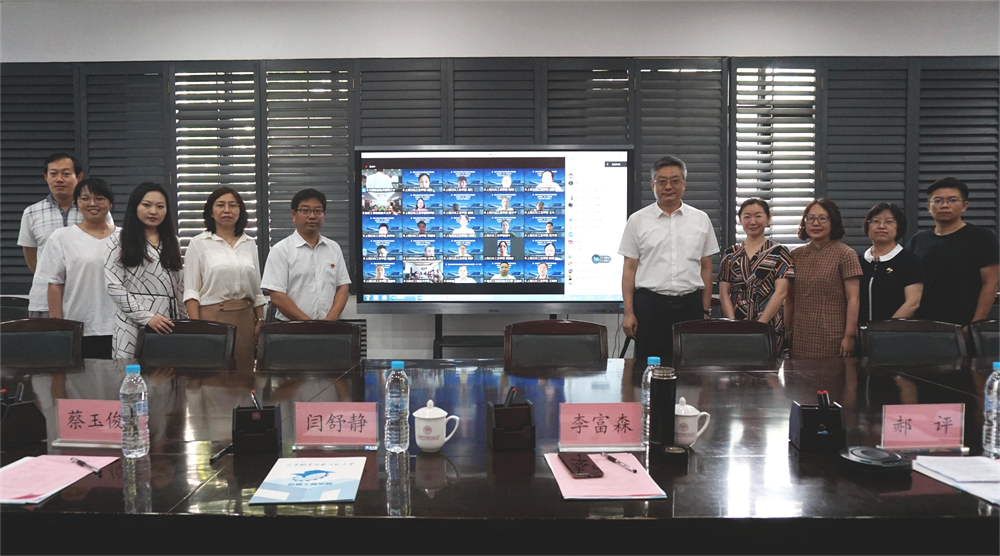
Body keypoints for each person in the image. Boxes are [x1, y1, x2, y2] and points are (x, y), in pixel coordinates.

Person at [619, 155, 719, 363]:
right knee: (649, 366)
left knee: (689, 366)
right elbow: (629, 269)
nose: (668, 187)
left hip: (690, 305)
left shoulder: (701, 219)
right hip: (650, 306)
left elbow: (706, 267)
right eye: (662, 181)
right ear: (652, 185)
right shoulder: (637, 220)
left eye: (675, 181)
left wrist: (705, 310)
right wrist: (629, 313)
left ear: (684, 184)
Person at [18, 153, 112, 317]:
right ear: (46, 177)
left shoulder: (94, 210)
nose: (59, 179)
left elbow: (106, 249)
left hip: (85, 300)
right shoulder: (31, 213)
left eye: (66, 174)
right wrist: (51, 277)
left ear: (79, 177)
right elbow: (31, 257)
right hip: (43, 301)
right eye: (53, 174)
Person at [35, 178, 118, 359]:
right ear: (77, 203)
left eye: (99, 198)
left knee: (120, 376)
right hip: (78, 324)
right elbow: (55, 283)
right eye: (85, 199)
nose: (92, 203)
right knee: (78, 376)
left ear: (110, 203)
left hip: (121, 326)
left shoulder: (125, 237)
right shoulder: (61, 237)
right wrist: (58, 325)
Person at [104, 182, 187, 358]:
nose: (153, 211)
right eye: (147, 205)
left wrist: (185, 321)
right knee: (130, 371)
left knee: (167, 371)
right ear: (135, 206)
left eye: (160, 206)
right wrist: (147, 317)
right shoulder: (118, 240)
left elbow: (180, 285)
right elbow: (113, 286)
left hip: (168, 321)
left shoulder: (173, 241)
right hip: (132, 321)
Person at [183, 187, 266, 361]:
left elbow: (257, 290)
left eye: (233, 205)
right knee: (214, 373)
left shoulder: (249, 243)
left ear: (240, 211)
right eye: (220, 205)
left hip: (245, 318)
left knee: (244, 373)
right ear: (211, 212)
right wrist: (197, 327)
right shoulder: (198, 243)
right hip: (211, 319)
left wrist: (260, 321)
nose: (227, 210)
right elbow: (191, 292)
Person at [906, 177, 1000, 325]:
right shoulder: (918, 240)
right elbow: (909, 283)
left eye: (952, 200)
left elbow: (990, 284)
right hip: (923, 324)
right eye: (937, 200)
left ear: (964, 206)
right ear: (928, 207)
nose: (944, 205)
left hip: (964, 324)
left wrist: (975, 325)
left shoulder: (982, 237)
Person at [785, 199, 862, 359]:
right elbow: (790, 298)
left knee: (831, 375)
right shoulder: (795, 255)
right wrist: (787, 330)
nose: (816, 223)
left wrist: (849, 336)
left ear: (833, 221)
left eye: (822, 218)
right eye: (810, 218)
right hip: (800, 336)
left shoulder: (846, 254)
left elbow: (853, 298)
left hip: (833, 335)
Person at [261, 189, 351, 322]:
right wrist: (308, 324)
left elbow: (343, 287)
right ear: (293, 214)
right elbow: (277, 296)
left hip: (329, 327)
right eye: (305, 210)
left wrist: (331, 320)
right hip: (291, 327)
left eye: (318, 211)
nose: (312, 216)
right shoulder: (281, 250)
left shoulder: (333, 248)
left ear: (324, 214)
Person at [717, 198, 794, 354]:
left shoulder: (779, 251)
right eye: (747, 217)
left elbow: (781, 292)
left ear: (768, 218)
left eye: (758, 216)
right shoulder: (730, 253)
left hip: (769, 322)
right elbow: (724, 293)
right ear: (740, 220)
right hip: (736, 322)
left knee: (770, 367)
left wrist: (760, 326)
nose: (752, 222)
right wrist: (733, 324)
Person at [858, 203, 923, 323]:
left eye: (889, 222)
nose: (881, 226)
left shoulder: (910, 261)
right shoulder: (857, 261)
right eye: (875, 221)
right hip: (859, 331)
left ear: (899, 227)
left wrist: (885, 329)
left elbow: (913, 303)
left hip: (894, 331)